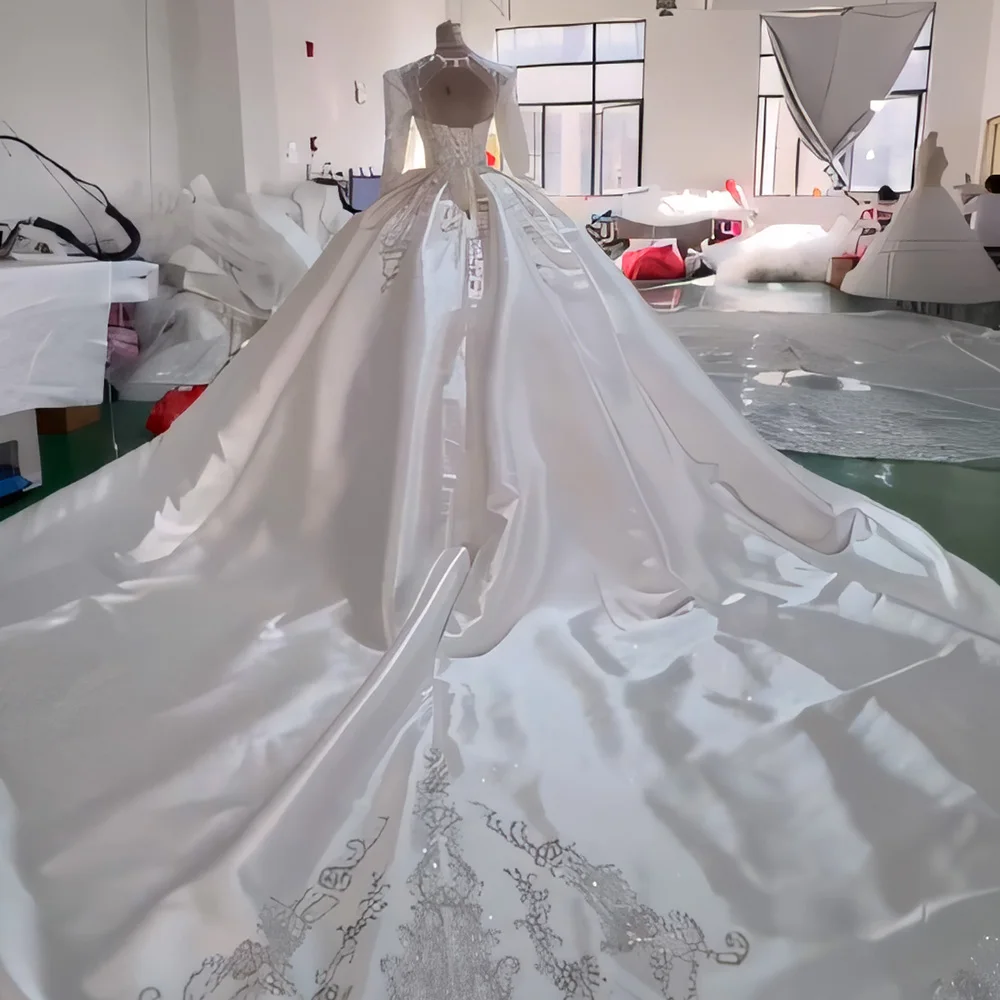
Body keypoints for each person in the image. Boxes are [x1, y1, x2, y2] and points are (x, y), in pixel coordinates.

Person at [0, 21, 998, 1000]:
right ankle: (410, 522)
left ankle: (506, 518)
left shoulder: (457, 75)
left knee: (517, 382)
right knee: (410, 381)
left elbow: (445, 161)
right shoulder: (431, 73)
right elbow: (460, 160)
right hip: (461, 226)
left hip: (456, 225)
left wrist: (448, 205)